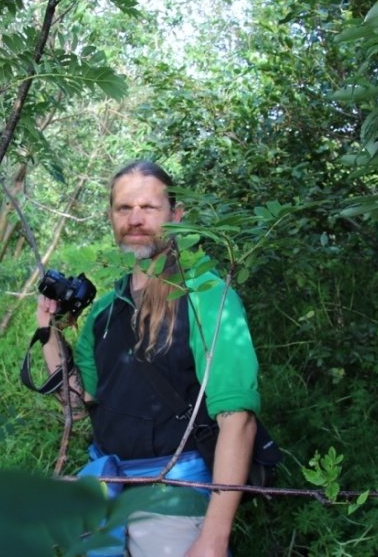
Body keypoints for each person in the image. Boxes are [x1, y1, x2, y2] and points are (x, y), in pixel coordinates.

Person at [35, 160, 260, 557]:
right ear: (110, 217)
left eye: (148, 208)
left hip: (175, 497)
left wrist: (213, 538)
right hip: (105, 490)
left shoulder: (206, 296)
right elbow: (77, 402)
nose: (135, 219)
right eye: (124, 208)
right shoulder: (106, 311)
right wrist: (48, 332)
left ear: (176, 215)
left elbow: (237, 419)